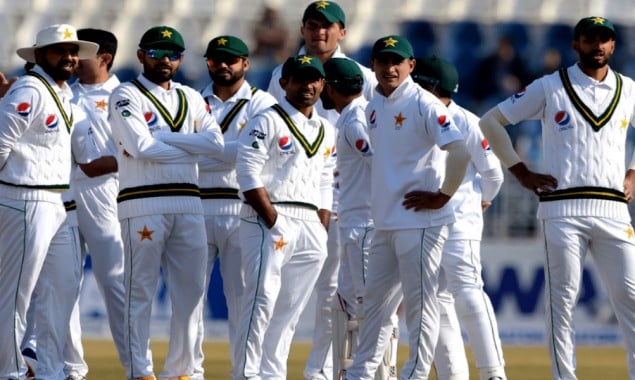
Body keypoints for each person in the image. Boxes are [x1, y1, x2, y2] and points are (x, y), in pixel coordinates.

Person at [479, 16, 635, 380]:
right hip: (562, 208)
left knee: (630, 299)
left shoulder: (628, 89)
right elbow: (490, 122)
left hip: (613, 210)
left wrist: (633, 171)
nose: (598, 45)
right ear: (575, 45)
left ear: (613, 46)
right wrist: (520, 171)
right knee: (560, 303)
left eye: (605, 39)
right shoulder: (551, 87)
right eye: (590, 39)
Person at [344, 35, 471, 380]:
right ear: (372, 66)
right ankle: (361, 373)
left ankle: (414, 374)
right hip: (385, 221)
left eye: (396, 61)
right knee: (376, 308)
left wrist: (442, 196)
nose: (389, 68)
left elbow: (460, 152)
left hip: (422, 222)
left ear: (410, 66)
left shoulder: (426, 104)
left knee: (420, 307)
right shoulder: (372, 107)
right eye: (382, 62)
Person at [108, 25, 225, 379]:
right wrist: (190, 146)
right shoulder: (125, 95)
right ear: (142, 55)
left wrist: (164, 142)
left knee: (191, 295)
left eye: (173, 54)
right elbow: (141, 147)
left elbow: (217, 144)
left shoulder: (191, 97)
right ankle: (139, 370)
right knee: (139, 291)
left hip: (190, 203)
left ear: (181, 59)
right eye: (157, 53)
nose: (165, 60)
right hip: (143, 202)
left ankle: (183, 370)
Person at [267, 4, 377, 378]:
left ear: (342, 32)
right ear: (302, 29)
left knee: (336, 293)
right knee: (279, 294)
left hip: (346, 201)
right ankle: (270, 370)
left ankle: (320, 371)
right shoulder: (284, 75)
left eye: (328, 27)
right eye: (312, 26)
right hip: (294, 201)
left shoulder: (363, 76)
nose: (320, 33)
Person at [0, 24, 99, 379]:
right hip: (24, 198)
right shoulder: (29, 90)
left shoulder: (64, 94)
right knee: (15, 295)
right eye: (61, 50)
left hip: (56, 202)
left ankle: (51, 370)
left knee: (63, 291)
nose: (70, 58)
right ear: (40, 55)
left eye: (74, 51)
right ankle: (9, 371)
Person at [233, 54, 335, 380]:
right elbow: (247, 174)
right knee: (261, 299)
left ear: (322, 84)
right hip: (269, 216)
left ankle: (272, 373)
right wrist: (275, 221)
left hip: (310, 224)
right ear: (284, 84)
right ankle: (248, 374)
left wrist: (321, 226)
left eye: (314, 79)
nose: (307, 86)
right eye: (299, 79)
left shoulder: (326, 129)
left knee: (289, 310)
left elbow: (325, 180)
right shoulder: (266, 120)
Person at [412, 55, 507, 380]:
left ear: (430, 86)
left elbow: (493, 173)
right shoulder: (420, 114)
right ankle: (454, 375)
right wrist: (484, 196)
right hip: (424, 221)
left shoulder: (465, 121)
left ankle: (494, 372)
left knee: (467, 290)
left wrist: (481, 200)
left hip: (456, 221)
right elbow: (492, 175)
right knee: (436, 301)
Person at [193, 34, 277, 379]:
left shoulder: (263, 103)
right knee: (190, 299)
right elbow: (224, 153)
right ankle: (189, 370)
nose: (223, 65)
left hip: (242, 209)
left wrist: (200, 149)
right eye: (215, 59)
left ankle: (245, 373)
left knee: (244, 301)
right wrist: (222, 152)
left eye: (231, 59)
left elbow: (253, 157)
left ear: (245, 63)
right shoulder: (192, 100)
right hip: (196, 208)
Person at [67, 27, 128, 378]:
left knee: (115, 284)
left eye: (81, 53)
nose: (73, 59)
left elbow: (136, 153)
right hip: (64, 194)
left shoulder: (126, 95)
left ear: (104, 57)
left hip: (108, 193)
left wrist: (96, 166)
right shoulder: (65, 93)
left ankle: (137, 366)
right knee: (62, 285)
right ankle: (71, 368)